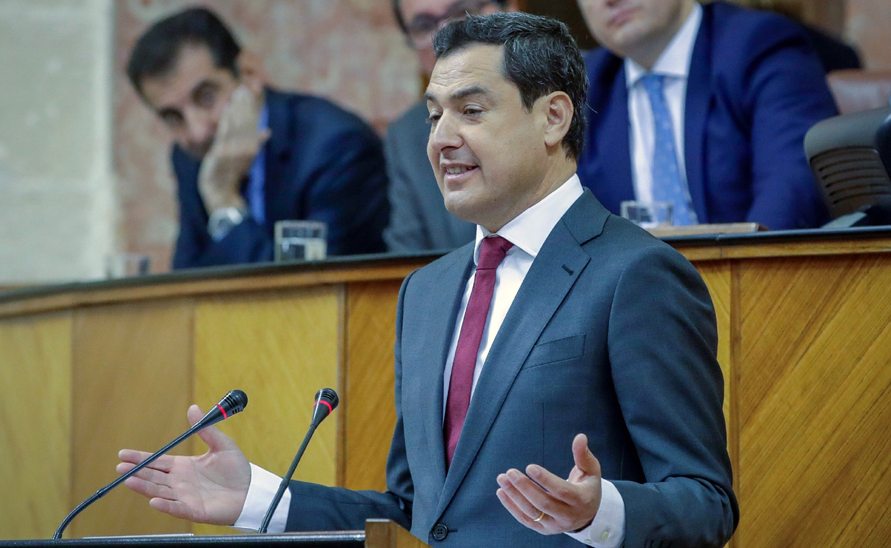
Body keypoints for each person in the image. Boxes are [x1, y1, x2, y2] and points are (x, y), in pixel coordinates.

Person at [118, 13, 738, 547]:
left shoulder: (636, 273)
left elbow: (706, 502)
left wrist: (600, 512)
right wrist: (259, 498)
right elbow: (418, 516)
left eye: (471, 110)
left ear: (552, 118)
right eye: (434, 115)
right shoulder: (427, 292)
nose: (441, 139)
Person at [127, 8, 390, 269]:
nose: (197, 131)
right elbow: (188, 281)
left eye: (206, 97)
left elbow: (306, 293)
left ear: (249, 73)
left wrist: (223, 201)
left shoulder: (337, 146)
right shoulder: (188, 155)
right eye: (173, 117)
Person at [576, 0, 838, 230]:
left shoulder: (760, 45)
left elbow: (790, 187)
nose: (609, 0)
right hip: (635, 285)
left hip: (750, 279)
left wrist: (741, 279)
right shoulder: (581, 88)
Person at [383, 0, 514, 253]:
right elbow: (407, 265)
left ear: (510, 10)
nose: (445, 35)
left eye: (463, 13)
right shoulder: (408, 136)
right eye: (424, 25)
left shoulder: (585, 93)